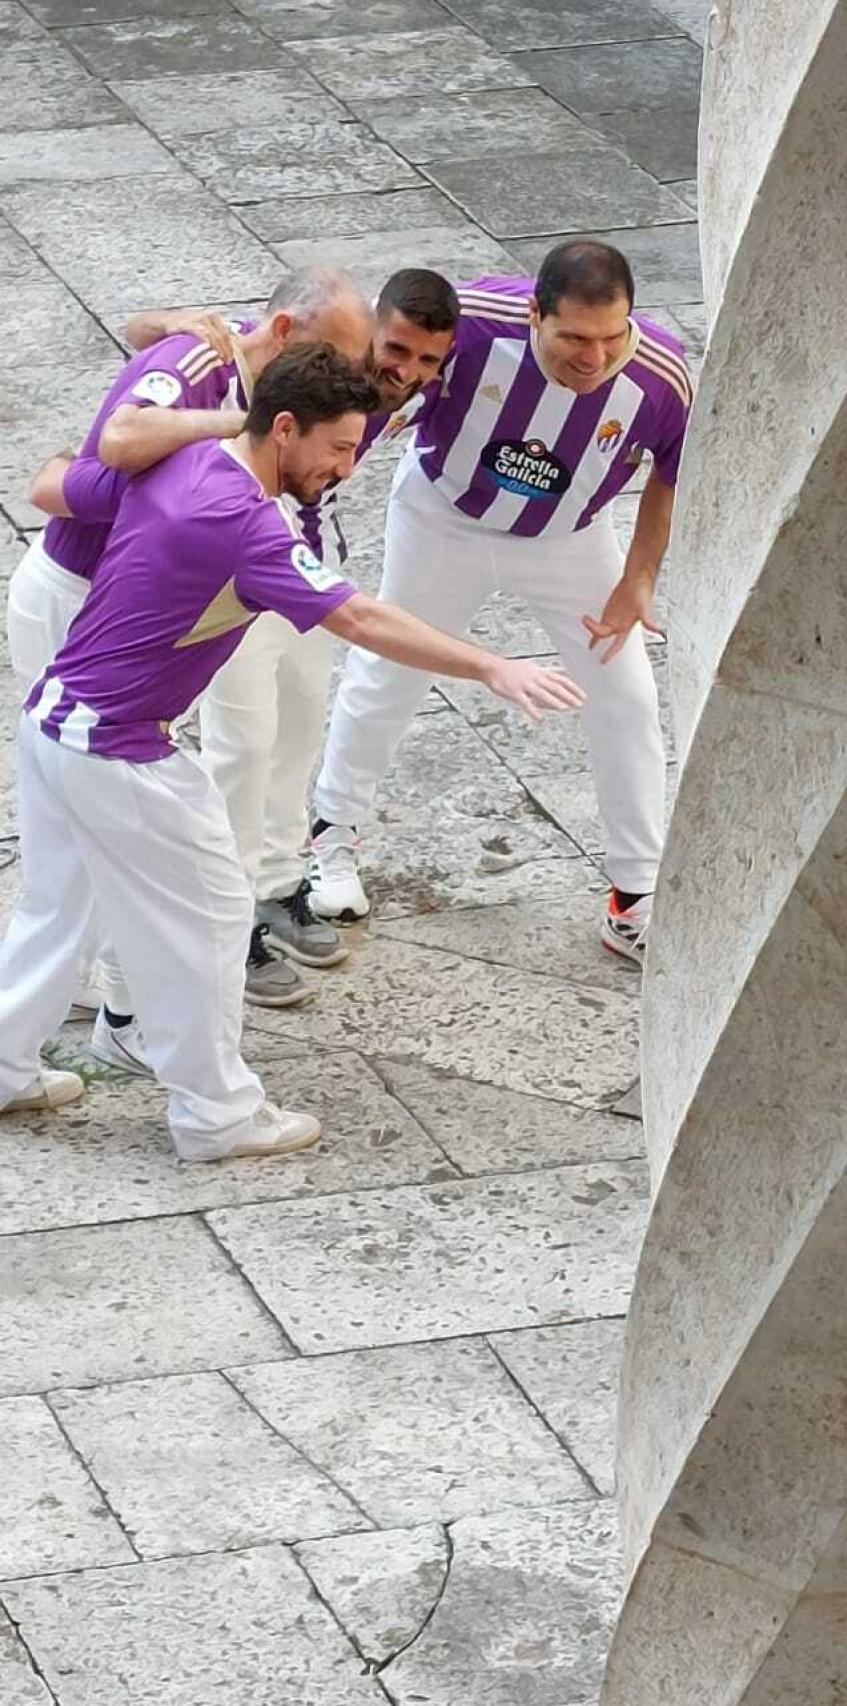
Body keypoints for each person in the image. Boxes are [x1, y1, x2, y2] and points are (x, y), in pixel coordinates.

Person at [0, 345, 584, 1162]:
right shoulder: (248, 526)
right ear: (283, 429)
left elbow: (57, 482)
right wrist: (492, 664)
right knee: (211, 915)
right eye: (338, 448)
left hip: (50, 723)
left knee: (57, 906)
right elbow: (363, 621)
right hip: (121, 751)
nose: (346, 467)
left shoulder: (186, 459)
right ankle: (217, 1116)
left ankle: (4, 1068)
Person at [17, 267, 374, 1053]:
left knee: (82, 849)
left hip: (119, 593)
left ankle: (67, 1019)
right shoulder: (214, 382)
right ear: (283, 337)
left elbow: (146, 333)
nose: (345, 379)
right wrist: (242, 426)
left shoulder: (242, 357)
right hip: (83, 594)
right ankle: (128, 1016)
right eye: (338, 357)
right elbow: (115, 445)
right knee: (115, 838)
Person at [308, 240, 693, 965]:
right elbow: (385, 361)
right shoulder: (475, 320)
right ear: (533, 313)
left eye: (613, 338)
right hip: (442, 515)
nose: (594, 358)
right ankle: (331, 832)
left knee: (629, 698)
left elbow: (672, 467)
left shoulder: (661, 374)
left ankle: (633, 897)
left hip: (569, 541)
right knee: (388, 670)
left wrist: (639, 577)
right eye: (574, 338)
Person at [195, 269, 460, 1007]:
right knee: (240, 750)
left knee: (298, 730)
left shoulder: (401, 385)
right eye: (394, 349)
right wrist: (166, 322)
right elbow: (222, 336)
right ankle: (227, 918)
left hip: (310, 567)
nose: (403, 372)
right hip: (237, 576)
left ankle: (278, 888)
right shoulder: (302, 362)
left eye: (424, 362)